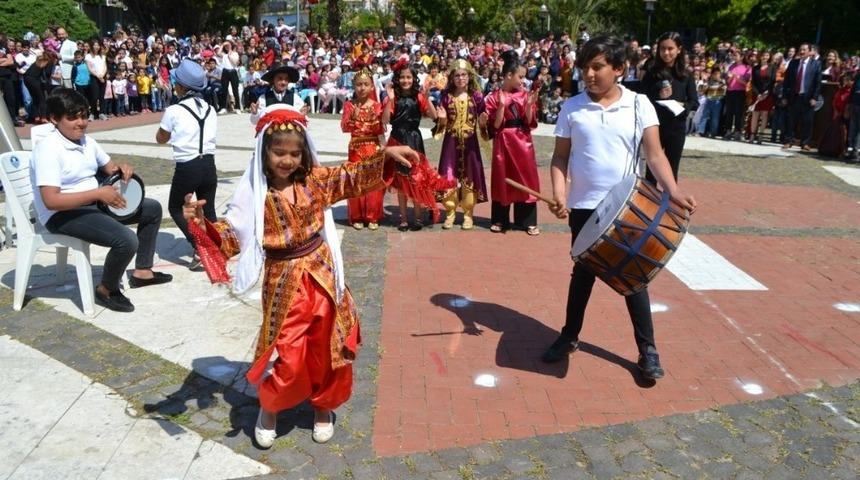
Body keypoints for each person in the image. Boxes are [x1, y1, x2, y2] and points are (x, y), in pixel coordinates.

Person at [181, 104, 416, 448]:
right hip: (283, 282)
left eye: (294, 153)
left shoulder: (315, 181)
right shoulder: (254, 196)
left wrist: (385, 155)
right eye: (279, 153)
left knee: (328, 348)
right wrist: (202, 225)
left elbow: (349, 178)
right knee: (289, 356)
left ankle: (323, 408)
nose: (287, 160)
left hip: (321, 274)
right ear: (264, 151)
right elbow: (232, 237)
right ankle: (271, 407)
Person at [541, 36, 697, 380]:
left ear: (619, 69)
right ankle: (569, 336)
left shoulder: (641, 104)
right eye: (585, 67)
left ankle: (648, 351)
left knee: (634, 277)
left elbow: (655, 155)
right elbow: (560, 157)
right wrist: (559, 193)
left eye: (598, 67)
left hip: (628, 205)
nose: (590, 74)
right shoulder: (572, 107)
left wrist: (673, 191)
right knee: (582, 274)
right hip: (584, 207)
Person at [31, 88, 172, 312]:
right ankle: (107, 289)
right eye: (73, 117)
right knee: (126, 240)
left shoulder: (87, 142)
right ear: (54, 119)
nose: (81, 122)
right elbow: (51, 201)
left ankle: (142, 271)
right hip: (62, 214)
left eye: (84, 115)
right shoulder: (48, 149)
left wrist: (122, 169)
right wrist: (97, 194)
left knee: (152, 209)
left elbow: (110, 169)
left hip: (92, 204)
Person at [156, 59, 218, 271]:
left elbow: (161, 138)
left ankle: (200, 247)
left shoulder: (174, 110)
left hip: (187, 166)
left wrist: (166, 131)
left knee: (176, 207)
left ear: (181, 86)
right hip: (209, 164)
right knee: (208, 209)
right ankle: (217, 247)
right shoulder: (211, 109)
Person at [483, 50, 541, 236]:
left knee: (526, 177)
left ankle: (527, 220)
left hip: (523, 140)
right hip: (503, 140)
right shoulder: (493, 96)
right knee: (502, 177)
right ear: (509, 75)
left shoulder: (525, 95)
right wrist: (501, 105)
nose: (523, 81)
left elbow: (529, 122)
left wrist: (530, 105)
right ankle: (500, 219)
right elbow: (496, 125)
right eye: (520, 77)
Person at [381, 60, 440, 231]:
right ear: (397, 79)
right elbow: (385, 120)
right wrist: (390, 100)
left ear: (414, 79)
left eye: (409, 77)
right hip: (397, 138)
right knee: (400, 180)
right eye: (402, 77)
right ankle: (404, 218)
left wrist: (428, 99)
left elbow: (434, 116)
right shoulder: (393, 98)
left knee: (416, 177)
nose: (406, 80)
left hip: (414, 139)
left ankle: (419, 216)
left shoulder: (419, 97)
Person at [435, 59, 488, 230]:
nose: (460, 78)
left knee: (470, 175)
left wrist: (482, 122)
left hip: (470, 143)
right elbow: (439, 124)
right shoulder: (446, 97)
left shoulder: (477, 97)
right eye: (457, 75)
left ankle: (468, 214)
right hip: (450, 142)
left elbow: (483, 122)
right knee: (448, 174)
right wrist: (442, 120)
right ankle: (450, 213)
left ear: (469, 76)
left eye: (464, 75)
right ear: (452, 78)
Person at [641, 32, 698, 182]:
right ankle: (649, 203)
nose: (666, 53)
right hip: (655, 127)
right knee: (651, 171)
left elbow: (694, 102)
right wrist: (657, 94)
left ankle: (670, 204)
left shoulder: (686, 75)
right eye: (662, 49)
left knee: (672, 171)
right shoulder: (652, 73)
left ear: (679, 49)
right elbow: (642, 99)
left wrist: (682, 105)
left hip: (676, 127)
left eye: (670, 48)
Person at [340, 67, 386, 230]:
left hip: (372, 147)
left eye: (366, 84)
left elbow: (381, 130)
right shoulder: (349, 105)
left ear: (372, 87)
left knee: (373, 181)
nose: (362, 88)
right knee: (355, 181)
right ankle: (356, 216)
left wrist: (384, 147)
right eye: (359, 84)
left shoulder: (377, 106)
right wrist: (352, 117)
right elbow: (344, 128)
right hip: (355, 148)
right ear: (354, 86)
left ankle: (372, 216)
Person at [782, 43, 822, 151]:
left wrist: (814, 97)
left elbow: (817, 82)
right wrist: (784, 96)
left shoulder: (816, 64)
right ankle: (788, 140)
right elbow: (786, 81)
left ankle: (805, 143)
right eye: (801, 49)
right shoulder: (793, 63)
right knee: (791, 120)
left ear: (810, 51)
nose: (802, 52)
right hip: (794, 96)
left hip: (808, 97)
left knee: (807, 121)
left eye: (804, 50)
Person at [722, 49, 752, 141]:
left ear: (742, 57)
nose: (734, 57)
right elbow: (727, 82)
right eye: (733, 55)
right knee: (729, 112)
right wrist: (730, 78)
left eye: (736, 55)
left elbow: (746, 82)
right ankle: (728, 131)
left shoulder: (747, 67)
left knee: (739, 113)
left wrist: (737, 78)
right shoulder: (731, 66)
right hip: (730, 91)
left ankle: (738, 132)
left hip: (740, 92)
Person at [750, 50, 776, 144]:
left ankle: (761, 136)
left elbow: (773, 81)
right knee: (755, 115)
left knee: (764, 115)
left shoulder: (772, 67)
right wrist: (758, 94)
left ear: (769, 57)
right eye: (763, 55)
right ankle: (752, 135)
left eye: (767, 55)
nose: (765, 57)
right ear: (760, 56)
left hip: (767, 95)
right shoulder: (755, 68)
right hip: (757, 94)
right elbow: (753, 83)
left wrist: (766, 93)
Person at [696, 67, 726, 137]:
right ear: (712, 75)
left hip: (717, 102)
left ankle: (713, 133)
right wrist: (704, 82)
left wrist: (711, 90)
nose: (716, 75)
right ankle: (700, 131)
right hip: (708, 100)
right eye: (715, 74)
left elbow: (722, 93)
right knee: (704, 116)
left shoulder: (722, 82)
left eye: (718, 74)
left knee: (715, 118)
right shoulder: (708, 82)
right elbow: (701, 91)